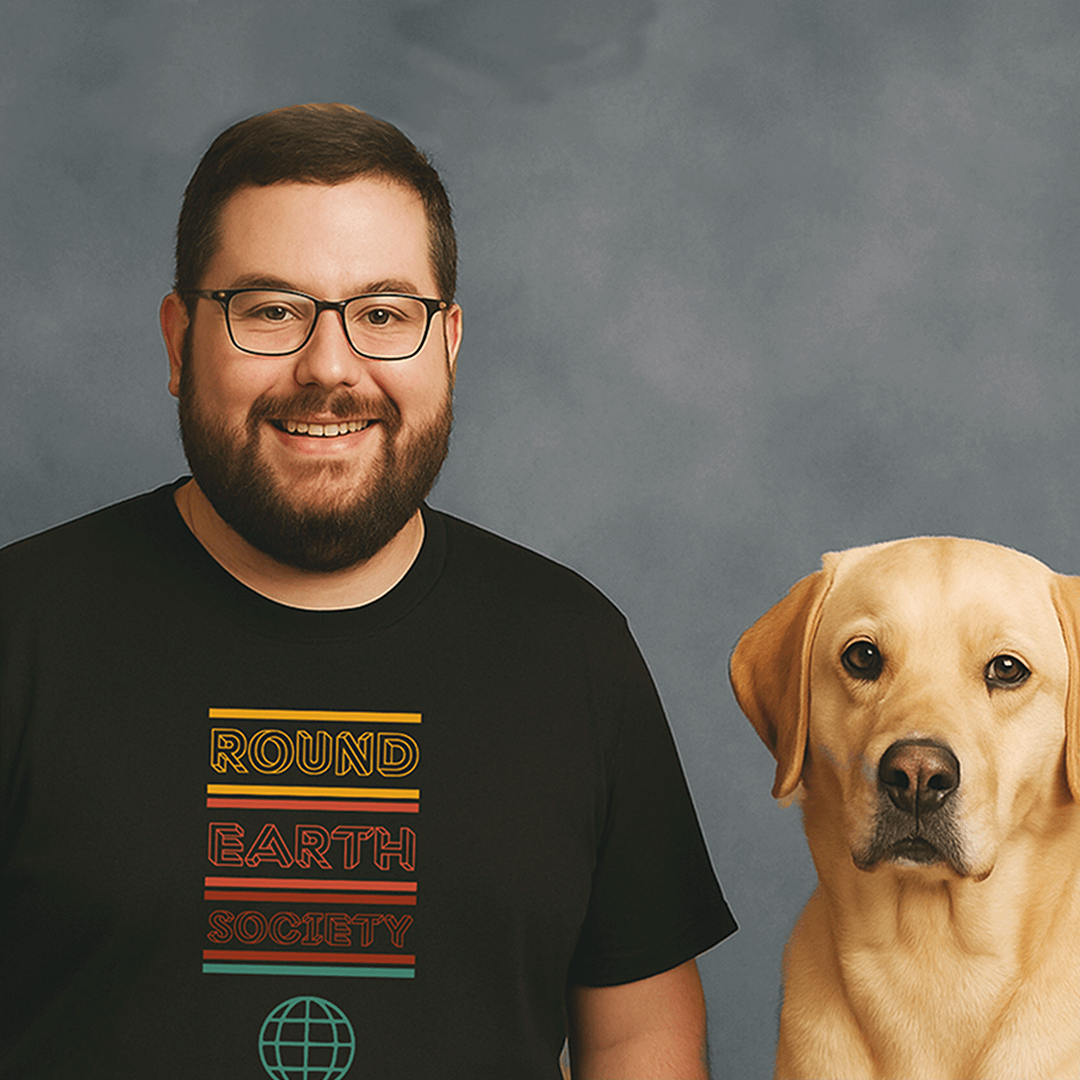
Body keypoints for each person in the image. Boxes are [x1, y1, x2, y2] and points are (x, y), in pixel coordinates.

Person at [0, 103, 736, 1079]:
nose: (331, 367)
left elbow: (638, 1037)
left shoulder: (573, 651)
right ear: (180, 342)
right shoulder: (21, 631)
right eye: (270, 310)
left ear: (450, 344)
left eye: (384, 314)